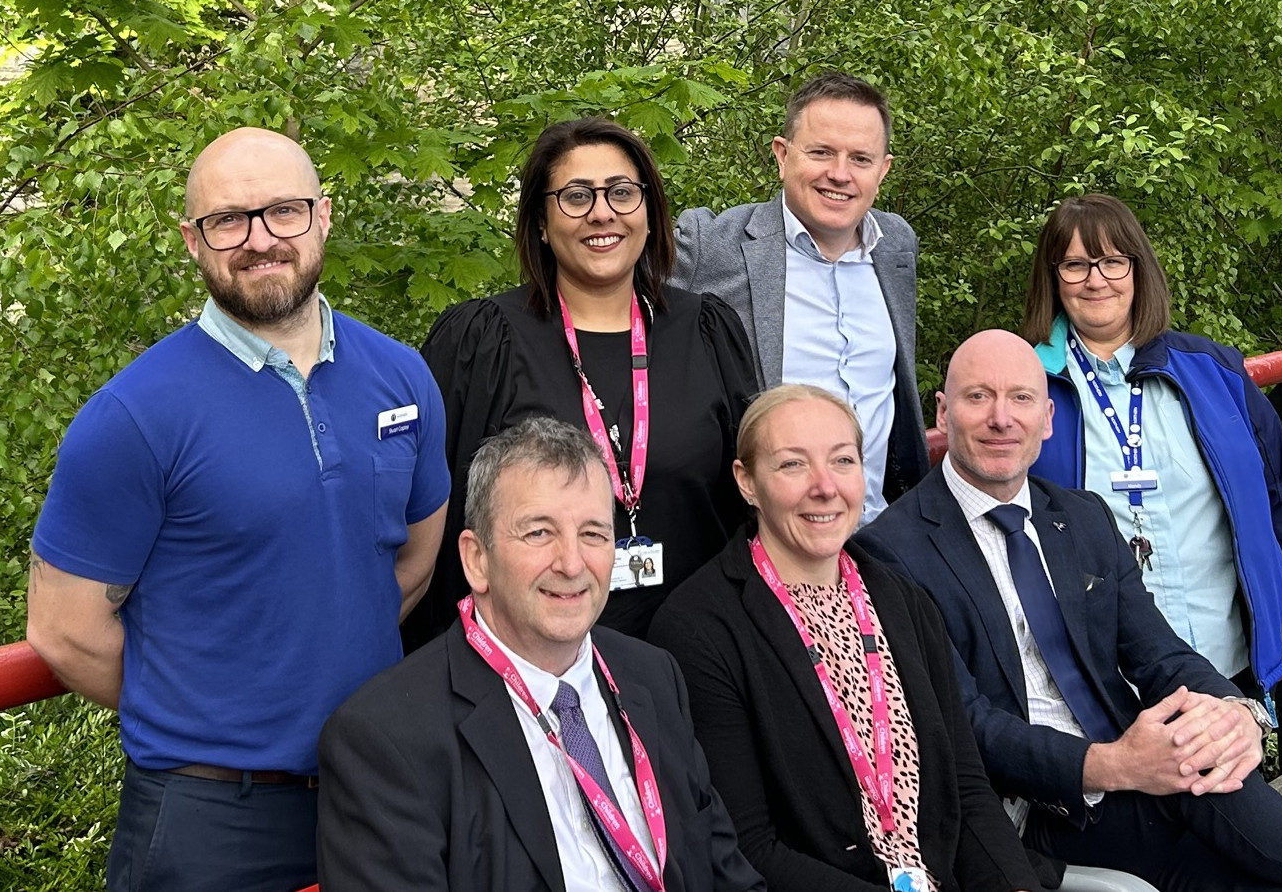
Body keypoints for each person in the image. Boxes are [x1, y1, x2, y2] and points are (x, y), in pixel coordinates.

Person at [27, 128, 450, 892]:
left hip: (373, 786)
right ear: (193, 241)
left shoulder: (402, 376)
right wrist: (209, 706)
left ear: (324, 217)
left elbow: (415, 562)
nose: (260, 240)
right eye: (229, 220)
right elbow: (64, 631)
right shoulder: (133, 415)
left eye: (283, 212)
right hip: (208, 816)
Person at [862, 332, 1282, 892]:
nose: (1002, 418)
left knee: (1207, 758)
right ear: (944, 411)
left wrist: (1238, 712)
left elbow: (1160, 654)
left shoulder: (1080, 516)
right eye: (979, 397)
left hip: (1137, 777)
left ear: (1047, 418)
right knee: (1232, 831)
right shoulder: (891, 552)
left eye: (1021, 398)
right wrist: (1112, 765)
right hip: (1031, 808)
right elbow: (964, 724)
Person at [319, 417, 767, 892]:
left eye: (593, 534)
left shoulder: (653, 677)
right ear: (477, 559)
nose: (571, 563)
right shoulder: (383, 741)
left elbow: (726, 874)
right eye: (538, 533)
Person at [653, 384, 1040, 892]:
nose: (824, 487)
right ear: (747, 482)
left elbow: (964, 790)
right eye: (793, 465)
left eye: (842, 460)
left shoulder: (905, 601)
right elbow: (748, 847)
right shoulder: (700, 627)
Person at [414, 118, 764, 645]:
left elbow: (749, 508)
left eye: (622, 193)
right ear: (539, 220)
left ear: (649, 212)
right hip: (536, 656)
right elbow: (438, 530)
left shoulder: (708, 332)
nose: (602, 212)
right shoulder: (481, 343)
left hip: (700, 653)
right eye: (576, 196)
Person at [1020, 195, 1282, 705]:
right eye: (1075, 265)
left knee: (1235, 782)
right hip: (1105, 677)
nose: (1096, 280)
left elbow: (1278, 503)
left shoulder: (1215, 372)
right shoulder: (1027, 384)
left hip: (1227, 658)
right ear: (1052, 278)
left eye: (1112, 261)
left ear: (1139, 270)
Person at [676, 72, 924, 526]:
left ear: (883, 170)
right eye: (822, 152)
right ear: (782, 156)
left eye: (860, 159)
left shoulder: (896, 247)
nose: (840, 174)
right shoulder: (712, 247)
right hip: (759, 539)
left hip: (881, 534)